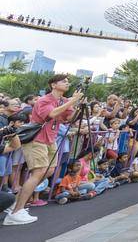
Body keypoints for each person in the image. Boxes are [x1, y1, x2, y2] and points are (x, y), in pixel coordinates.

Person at [5, 74, 84, 225]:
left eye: (68, 82)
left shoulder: (64, 101)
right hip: (37, 139)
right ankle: (15, 213)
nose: (67, 83)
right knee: (38, 172)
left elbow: (70, 119)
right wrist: (73, 100)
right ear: (53, 85)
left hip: (50, 140)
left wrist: (78, 107)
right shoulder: (44, 100)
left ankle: (15, 203)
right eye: (64, 81)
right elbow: (52, 114)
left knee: (48, 171)